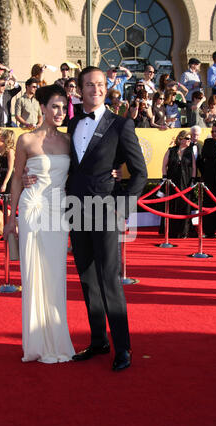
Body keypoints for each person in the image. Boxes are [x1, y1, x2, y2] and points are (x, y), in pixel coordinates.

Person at [66, 66, 147, 371]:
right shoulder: (72, 124)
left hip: (106, 211)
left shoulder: (120, 125)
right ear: (80, 89)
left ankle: (123, 347)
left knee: (109, 280)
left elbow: (140, 172)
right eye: (90, 85)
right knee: (87, 279)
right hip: (77, 211)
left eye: (100, 84)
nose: (96, 89)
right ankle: (99, 340)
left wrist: (122, 208)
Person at [4, 84, 76, 363]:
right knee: (34, 276)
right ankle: (35, 343)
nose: (59, 112)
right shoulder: (26, 140)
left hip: (58, 212)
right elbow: (17, 179)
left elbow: (77, 177)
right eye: (54, 107)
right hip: (33, 209)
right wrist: (11, 219)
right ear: (43, 108)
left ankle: (56, 339)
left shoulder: (69, 142)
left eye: (63, 107)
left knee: (56, 275)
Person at [160, 130, 196, 238]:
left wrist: (193, 180)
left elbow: (194, 167)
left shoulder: (190, 152)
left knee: (185, 206)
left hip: (186, 182)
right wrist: (165, 177)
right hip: (172, 182)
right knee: (172, 205)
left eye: (190, 139)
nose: (190, 140)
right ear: (181, 139)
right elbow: (164, 165)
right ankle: (171, 231)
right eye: (188, 138)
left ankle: (184, 231)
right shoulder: (171, 151)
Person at [180, 58, 202, 125]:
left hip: (198, 100)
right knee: (191, 118)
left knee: (197, 118)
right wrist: (192, 86)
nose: (198, 66)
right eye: (197, 64)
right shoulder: (185, 74)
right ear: (193, 65)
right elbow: (182, 87)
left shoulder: (198, 75)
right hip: (190, 99)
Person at [0, 129, 16, 194]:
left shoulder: (10, 151)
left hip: (8, 177)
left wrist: (5, 183)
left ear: (6, 138)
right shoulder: (5, 149)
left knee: (6, 198)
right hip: (2, 174)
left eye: (2, 135)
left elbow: (10, 168)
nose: (0, 136)